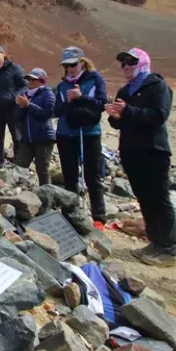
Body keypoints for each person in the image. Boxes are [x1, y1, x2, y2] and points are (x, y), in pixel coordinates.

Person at [105, 49, 176, 266]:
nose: (126, 66)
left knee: (159, 197)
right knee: (144, 198)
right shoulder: (125, 90)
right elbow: (118, 122)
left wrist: (128, 111)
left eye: (131, 62)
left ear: (143, 63)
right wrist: (116, 116)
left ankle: (169, 248)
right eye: (124, 63)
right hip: (130, 149)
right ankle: (155, 242)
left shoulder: (157, 86)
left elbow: (159, 115)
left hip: (153, 149)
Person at [54, 46, 108, 228]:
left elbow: (102, 103)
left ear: (82, 62)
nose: (70, 69)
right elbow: (56, 110)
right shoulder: (62, 86)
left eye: (73, 64)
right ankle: (73, 214)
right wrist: (69, 101)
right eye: (67, 66)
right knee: (70, 176)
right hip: (65, 134)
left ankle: (99, 217)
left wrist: (82, 96)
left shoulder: (95, 79)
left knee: (92, 176)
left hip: (89, 133)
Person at [0, 45, 27, 168]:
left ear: (3, 53)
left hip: (12, 108)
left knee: (17, 137)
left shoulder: (15, 69)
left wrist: (14, 97)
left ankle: (20, 164)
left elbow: (25, 85)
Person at [15, 68, 56, 186]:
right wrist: (21, 107)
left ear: (42, 80)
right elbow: (17, 117)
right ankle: (19, 190)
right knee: (20, 166)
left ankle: (46, 193)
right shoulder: (25, 95)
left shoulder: (48, 94)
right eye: (29, 79)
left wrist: (28, 105)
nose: (30, 82)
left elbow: (47, 113)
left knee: (42, 168)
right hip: (27, 137)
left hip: (43, 136)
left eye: (34, 79)